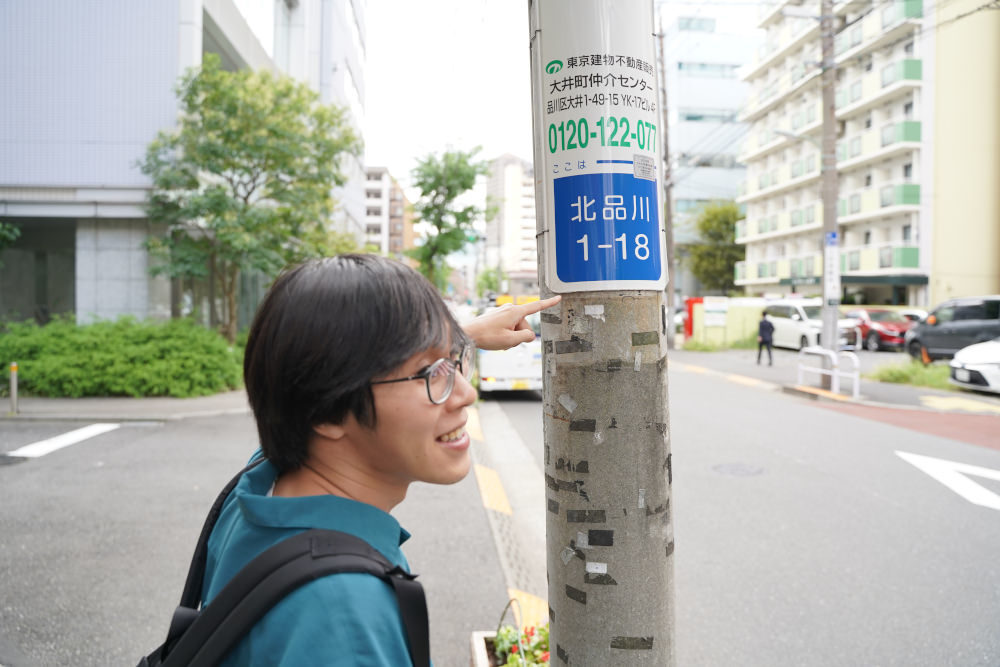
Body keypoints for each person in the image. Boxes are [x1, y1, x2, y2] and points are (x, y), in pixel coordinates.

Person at [201, 254, 559, 666]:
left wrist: (459, 338)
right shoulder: (344, 617)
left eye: (454, 361)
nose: (465, 393)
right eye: (429, 372)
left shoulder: (261, 483)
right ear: (327, 411)